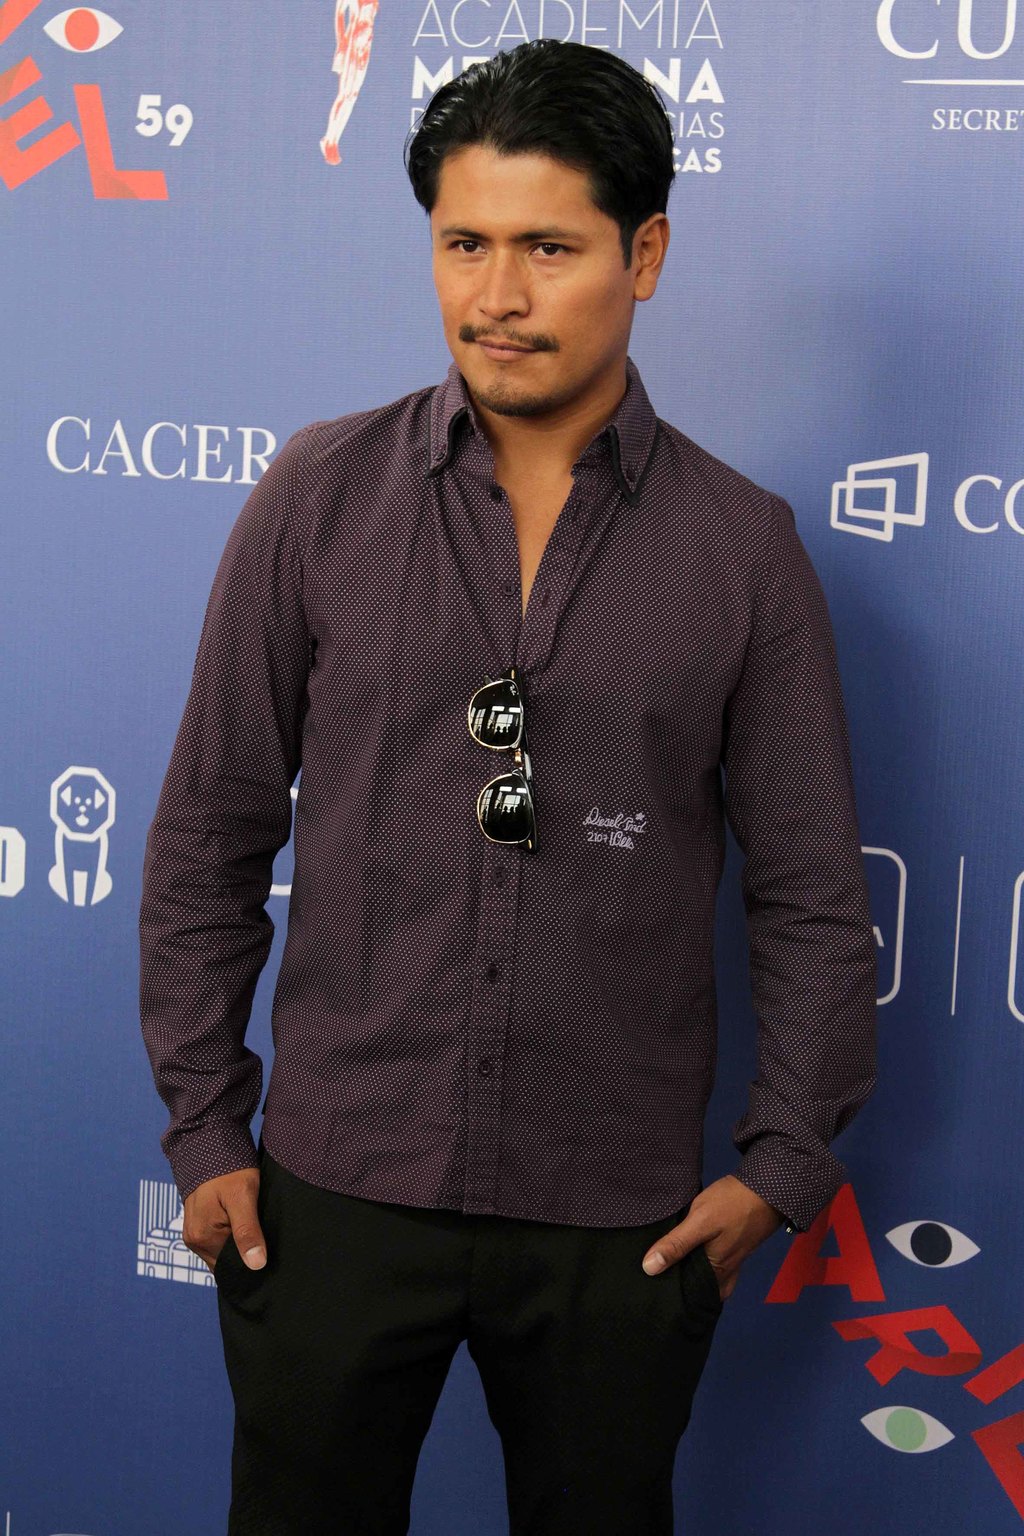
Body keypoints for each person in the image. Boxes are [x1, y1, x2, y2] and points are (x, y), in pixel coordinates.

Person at [139, 37, 877, 1536]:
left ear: (643, 254)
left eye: (549, 247)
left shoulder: (742, 549)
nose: (497, 295)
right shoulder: (318, 498)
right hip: (333, 1192)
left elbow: (810, 896)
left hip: (619, 1221)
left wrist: (782, 1166)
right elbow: (211, 829)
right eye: (464, 244)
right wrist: (208, 1132)